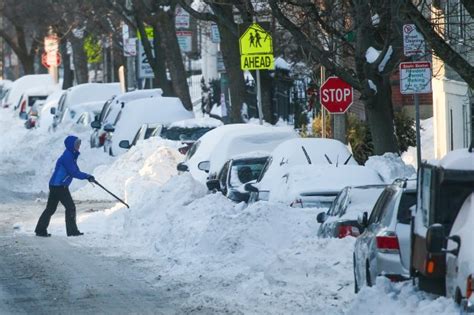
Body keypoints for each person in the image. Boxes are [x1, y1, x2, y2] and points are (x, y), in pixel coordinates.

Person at [34, 135, 94, 237]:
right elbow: (73, 172)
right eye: (77, 144)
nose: (79, 146)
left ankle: (40, 230)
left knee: (50, 209)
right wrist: (87, 176)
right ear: (71, 145)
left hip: (55, 185)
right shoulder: (68, 157)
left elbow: (75, 171)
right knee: (70, 207)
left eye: (79, 144)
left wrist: (87, 177)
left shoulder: (71, 155)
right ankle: (72, 232)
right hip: (59, 186)